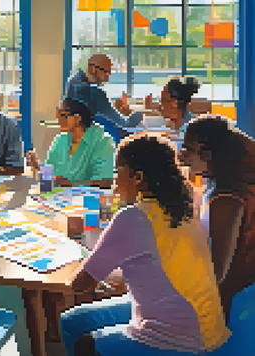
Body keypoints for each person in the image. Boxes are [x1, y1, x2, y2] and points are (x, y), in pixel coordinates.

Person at [61, 133, 230, 356]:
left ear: (137, 177)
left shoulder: (132, 218)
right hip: (205, 325)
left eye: (118, 171)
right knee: (74, 319)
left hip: (179, 340)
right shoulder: (182, 208)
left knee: (83, 343)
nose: (114, 181)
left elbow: (79, 285)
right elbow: (157, 261)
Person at [179, 115, 255, 321]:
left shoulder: (227, 199)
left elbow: (216, 274)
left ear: (208, 154)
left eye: (187, 149)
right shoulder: (229, 185)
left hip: (225, 310)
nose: (181, 156)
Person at [26, 98, 115, 188]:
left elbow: (104, 182)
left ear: (77, 118)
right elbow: (49, 179)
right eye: (57, 113)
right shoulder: (60, 140)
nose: (58, 118)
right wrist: (38, 169)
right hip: (58, 199)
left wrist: (70, 185)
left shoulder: (103, 141)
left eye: (62, 114)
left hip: (88, 200)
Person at [65, 54, 144, 131]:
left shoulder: (72, 83)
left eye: (109, 73)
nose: (107, 78)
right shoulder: (95, 93)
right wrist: (141, 113)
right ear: (92, 68)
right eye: (105, 72)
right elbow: (125, 124)